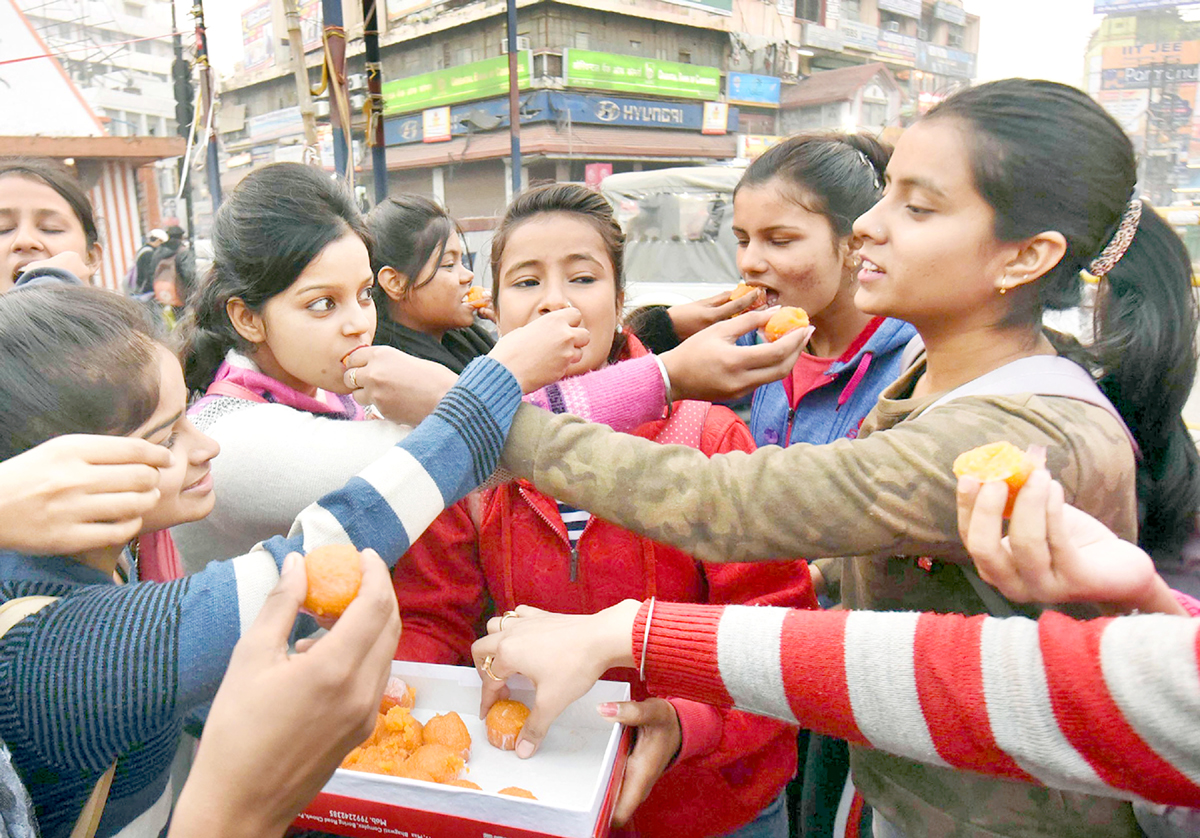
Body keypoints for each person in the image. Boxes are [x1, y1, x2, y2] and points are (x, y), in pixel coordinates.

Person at [457, 79, 1200, 838]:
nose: (867, 229)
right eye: (885, 197)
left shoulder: (1013, 436)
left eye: (917, 206)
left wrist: (475, 419)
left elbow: (733, 504)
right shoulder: (930, 389)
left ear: (1027, 257)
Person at [0, 281, 563, 837]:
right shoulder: (54, 649)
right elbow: (319, 554)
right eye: (166, 438)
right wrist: (494, 384)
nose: (205, 446)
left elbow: (170, 702)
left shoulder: (82, 566)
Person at [392, 183, 808, 838]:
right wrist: (397, 696)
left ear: (619, 304)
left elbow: (776, 630)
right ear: (495, 311)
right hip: (536, 789)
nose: (555, 299)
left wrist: (687, 722)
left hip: (711, 805)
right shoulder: (467, 460)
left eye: (582, 277)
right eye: (527, 281)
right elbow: (435, 618)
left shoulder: (708, 437)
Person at [468, 468, 1200, 815]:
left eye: (918, 203)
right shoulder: (490, 488)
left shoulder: (705, 440)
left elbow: (973, 684)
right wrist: (1151, 611)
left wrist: (633, 637)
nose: (872, 227)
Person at [367, 195, 496, 372]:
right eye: (449, 264)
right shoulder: (391, 376)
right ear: (395, 283)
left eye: (463, 262)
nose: (468, 275)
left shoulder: (470, 341)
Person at [0, 159, 103, 291]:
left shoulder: (124, 312)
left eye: (51, 229)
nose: (25, 241)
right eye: (3, 229)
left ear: (91, 258)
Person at [130, 227, 168, 295]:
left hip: (139, 287)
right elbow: (148, 274)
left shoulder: (143, 250)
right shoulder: (149, 253)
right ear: (158, 240)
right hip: (145, 290)